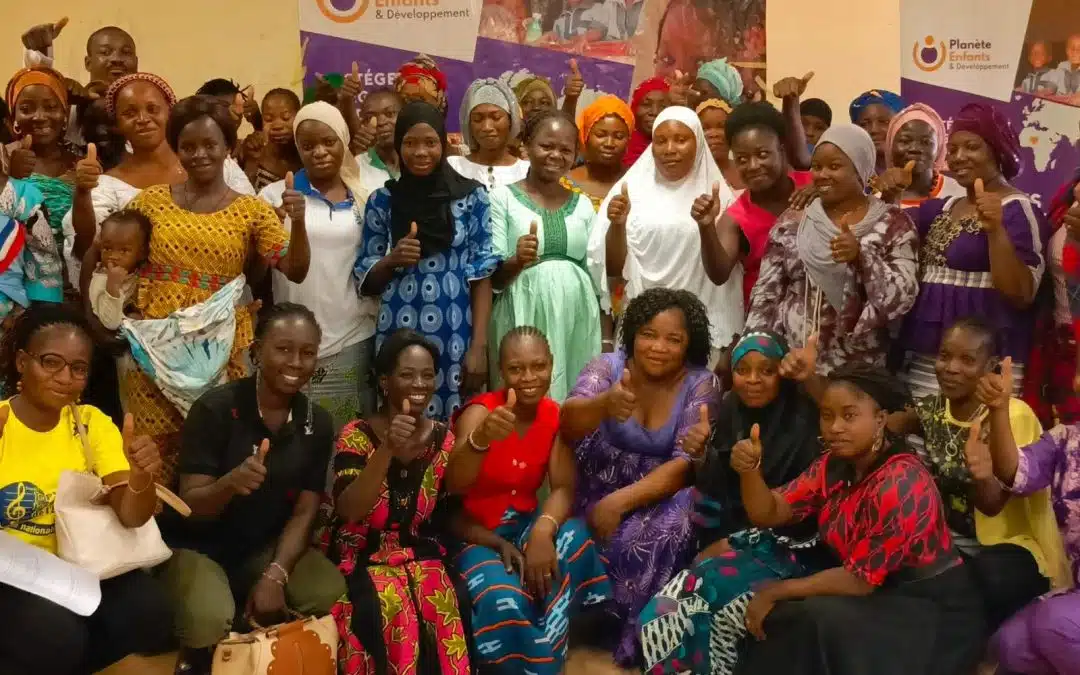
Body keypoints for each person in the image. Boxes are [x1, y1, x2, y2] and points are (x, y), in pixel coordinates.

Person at [734, 364, 986, 675]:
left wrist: (777, 590)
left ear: (880, 419)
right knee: (791, 618)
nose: (835, 427)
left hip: (932, 610)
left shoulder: (901, 483)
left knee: (810, 618)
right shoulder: (834, 464)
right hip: (882, 594)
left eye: (849, 416)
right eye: (827, 416)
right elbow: (769, 512)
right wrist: (749, 471)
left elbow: (860, 580)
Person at [110, 95, 310, 484]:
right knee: (150, 457)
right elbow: (111, 253)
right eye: (188, 146)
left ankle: (205, 540)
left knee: (214, 451)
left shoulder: (251, 210)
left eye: (209, 145)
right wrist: (112, 311)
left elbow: (295, 269)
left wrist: (298, 223)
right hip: (154, 357)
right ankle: (153, 535)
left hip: (217, 356)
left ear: (227, 148)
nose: (199, 154)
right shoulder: (150, 202)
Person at [158, 303, 345, 673]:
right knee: (209, 617)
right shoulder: (215, 409)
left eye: (307, 353)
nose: (295, 362)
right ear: (256, 351)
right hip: (199, 547)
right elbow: (189, 508)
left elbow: (305, 511)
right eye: (283, 349)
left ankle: (260, 642)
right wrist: (229, 485)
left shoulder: (316, 423)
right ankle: (200, 656)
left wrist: (275, 574)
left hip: (261, 548)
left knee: (327, 589)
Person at [638, 331, 825, 675]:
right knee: (663, 611)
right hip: (732, 536)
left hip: (788, 550)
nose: (753, 380)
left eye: (767, 370)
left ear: (782, 375)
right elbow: (715, 489)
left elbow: (798, 516)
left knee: (694, 605)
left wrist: (735, 542)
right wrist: (699, 455)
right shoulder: (728, 409)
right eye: (743, 369)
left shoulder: (803, 422)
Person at [0, 305, 173, 674]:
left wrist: (142, 479)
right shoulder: (1, 424)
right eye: (50, 362)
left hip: (82, 563)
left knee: (149, 611)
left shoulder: (91, 423)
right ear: (20, 362)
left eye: (78, 368)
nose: (65, 377)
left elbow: (130, 516)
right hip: (12, 573)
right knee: (56, 635)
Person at [561, 288, 722, 664]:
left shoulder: (702, 383)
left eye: (673, 339)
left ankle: (638, 633)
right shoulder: (607, 367)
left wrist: (620, 502)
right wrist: (604, 403)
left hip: (657, 495)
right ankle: (596, 622)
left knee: (684, 512)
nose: (658, 347)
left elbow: (683, 466)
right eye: (648, 334)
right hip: (596, 486)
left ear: (689, 344)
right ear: (632, 333)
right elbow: (567, 421)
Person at [448, 327, 612, 674]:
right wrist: (481, 439)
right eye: (516, 369)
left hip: (524, 524)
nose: (528, 378)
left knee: (574, 540)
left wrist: (542, 531)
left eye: (538, 366)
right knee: (502, 595)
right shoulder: (480, 413)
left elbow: (563, 488)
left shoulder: (554, 416)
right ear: (501, 370)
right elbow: (454, 486)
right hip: (473, 532)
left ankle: (547, 650)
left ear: (551, 364)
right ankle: (525, 665)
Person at [886, 319, 1067, 628]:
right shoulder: (934, 408)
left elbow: (993, 505)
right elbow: (885, 427)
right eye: (944, 356)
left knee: (980, 581)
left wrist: (983, 475)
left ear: (991, 366)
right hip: (956, 544)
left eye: (967, 360)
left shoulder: (1011, 416)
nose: (951, 368)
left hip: (1014, 546)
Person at [320, 329, 471, 675]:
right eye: (407, 374)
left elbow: (450, 512)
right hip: (360, 553)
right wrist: (387, 448)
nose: (419, 383)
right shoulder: (357, 435)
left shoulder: (443, 439)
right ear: (385, 382)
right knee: (382, 603)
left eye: (427, 374)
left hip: (417, 551)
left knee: (447, 596)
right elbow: (350, 510)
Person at [355, 101, 499, 418]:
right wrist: (391, 260)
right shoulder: (384, 200)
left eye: (430, 142)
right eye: (410, 143)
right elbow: (366, 281)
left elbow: (482, 274)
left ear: (443, 145)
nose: (421, 152)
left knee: (456, 418)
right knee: (402, 415)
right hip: (398, 328)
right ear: (398, 145)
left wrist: (479, 346)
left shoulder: (470, 197)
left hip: (456, 330)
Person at [897, 103, 1049, 400]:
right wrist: (890, 193)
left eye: (972, 147)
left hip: (984, 369)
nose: (959, 157)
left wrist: (995, 229)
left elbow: (1022, 294)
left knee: (978, 444)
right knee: (922, 442)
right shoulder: (943, 207)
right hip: (930, 363)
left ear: (997, 150)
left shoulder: (1018, 209)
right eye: (952, 150)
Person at [746, 124, 918, 372]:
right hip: (794, 368)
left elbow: (902, 298)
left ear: (860, 170)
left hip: (861, 374)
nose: (822, 175)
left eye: (834, 166)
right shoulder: (792, 221)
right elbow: (766, 294)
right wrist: (758, 350)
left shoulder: (894, 224)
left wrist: (861, 257)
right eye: (817, 167)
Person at [587, 106, 744, 362]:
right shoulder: (630, 191)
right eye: (660, 141)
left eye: (681, 140)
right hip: (642, 333)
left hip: (701, 334)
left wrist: (707, 224)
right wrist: (618, 225)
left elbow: (721, 275)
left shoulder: (719, 199)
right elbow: (614, 272)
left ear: (698, 143)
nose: (670, 149)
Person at [259, 101, 376, 427]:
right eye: (308, 146)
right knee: (299, 441)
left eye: (329, 142)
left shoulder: (366, 197)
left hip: (353, 335)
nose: (319, 152)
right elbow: (260, 269)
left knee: (348, 441)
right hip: (294, 343)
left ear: (344, 140)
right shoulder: (273, 197)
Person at [489, 110, 601, 400]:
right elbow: (491, 277)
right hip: (522, 310)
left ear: (576, 155)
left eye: (565, 150)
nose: (555, 155)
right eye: (547, 146)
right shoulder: (501, 198)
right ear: (526, 146)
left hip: (576, 315)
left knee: (575, 395)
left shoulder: (584, 205)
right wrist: (517, 260)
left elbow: (595, 272)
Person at [982, 361, 1080, 674]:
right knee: (1009, 644)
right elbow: (1015, 473)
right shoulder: (1068, 439)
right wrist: (999, 410)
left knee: (1053, 624)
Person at [720, 101, 813, 308]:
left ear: (781, 150)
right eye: (742, 159)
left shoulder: (813, 186)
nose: (753, 166)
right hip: (765, 324)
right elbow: (719, 273)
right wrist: (705, 226)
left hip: (820, 317)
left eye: (762, 155)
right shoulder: (736, 217)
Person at [5, 65, 80, 303]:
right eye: (27, 109)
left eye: (50, 107)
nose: (39, 116)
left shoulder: (83, 162)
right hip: (14, 286)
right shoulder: (2, 159)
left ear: (65, 114)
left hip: (74, 284)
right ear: (13, 117)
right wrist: (10, 179)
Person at [874, 103, 965, 209]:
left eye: (926, 142)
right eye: (905, 141)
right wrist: (888, 198)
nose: (915, 149)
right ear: (890, 147)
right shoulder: (876, 201)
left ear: (939, 148)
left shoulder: (960, 194)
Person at [448, 78, 529, 191]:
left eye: (496, 118)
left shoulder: (527, 172)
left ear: (511, 120)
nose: (486, 127)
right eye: (477, 119)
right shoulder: (454, 167)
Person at [86, 209, 151, 331]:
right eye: (107, 248)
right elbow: (110, 323)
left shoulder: (139, 272)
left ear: (142, 253)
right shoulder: (101, 280)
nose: (114, 256)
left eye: (124, 250)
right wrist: (112, 287)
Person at [564, 95, 633, 209]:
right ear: (586, 136)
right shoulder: (564, 184)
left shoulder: (637, 182)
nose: (609, 143)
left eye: (619, 136)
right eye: (601, 135)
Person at [243, 88, 303, 192]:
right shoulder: (255, 152)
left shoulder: (306, 155)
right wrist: (251, 162)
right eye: (268, 119)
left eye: (286, 118)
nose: (277, 126)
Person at [355, 87, 403, 194]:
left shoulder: (419, 161)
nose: (381, 122)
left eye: (389, 114)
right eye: (371, 117)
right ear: (363, 124)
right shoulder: (356, 166)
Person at [849, 89, 905, 171]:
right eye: (864, 124)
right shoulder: (849, 174)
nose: (874, 130)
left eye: (883, 122)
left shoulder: (918, 173)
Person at [696, 98, 743, 191]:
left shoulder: (745, 169)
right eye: (705, 128)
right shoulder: (690, 174)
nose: (714, 134)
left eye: (721, 126)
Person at [623, 76, 669, 167]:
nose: (655, 112)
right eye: (646, 104)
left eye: (663, 106)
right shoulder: (619, 146)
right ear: (634, 108)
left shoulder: (675, 153)